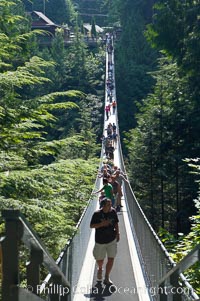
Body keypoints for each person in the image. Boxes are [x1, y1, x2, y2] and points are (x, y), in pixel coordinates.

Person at [90, 198, 120, 285]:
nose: (110, 206)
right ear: (103, 206)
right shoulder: (97, 214)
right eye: (108, 205)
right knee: (100, 259)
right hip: (100, 240)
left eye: (110, 204)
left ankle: (107, 277)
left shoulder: (113, 212)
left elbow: (116, 223)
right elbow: (91, 226)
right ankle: (100, 268)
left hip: (111, 239)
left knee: (111, 258)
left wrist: (118, 233)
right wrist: (101, 224)